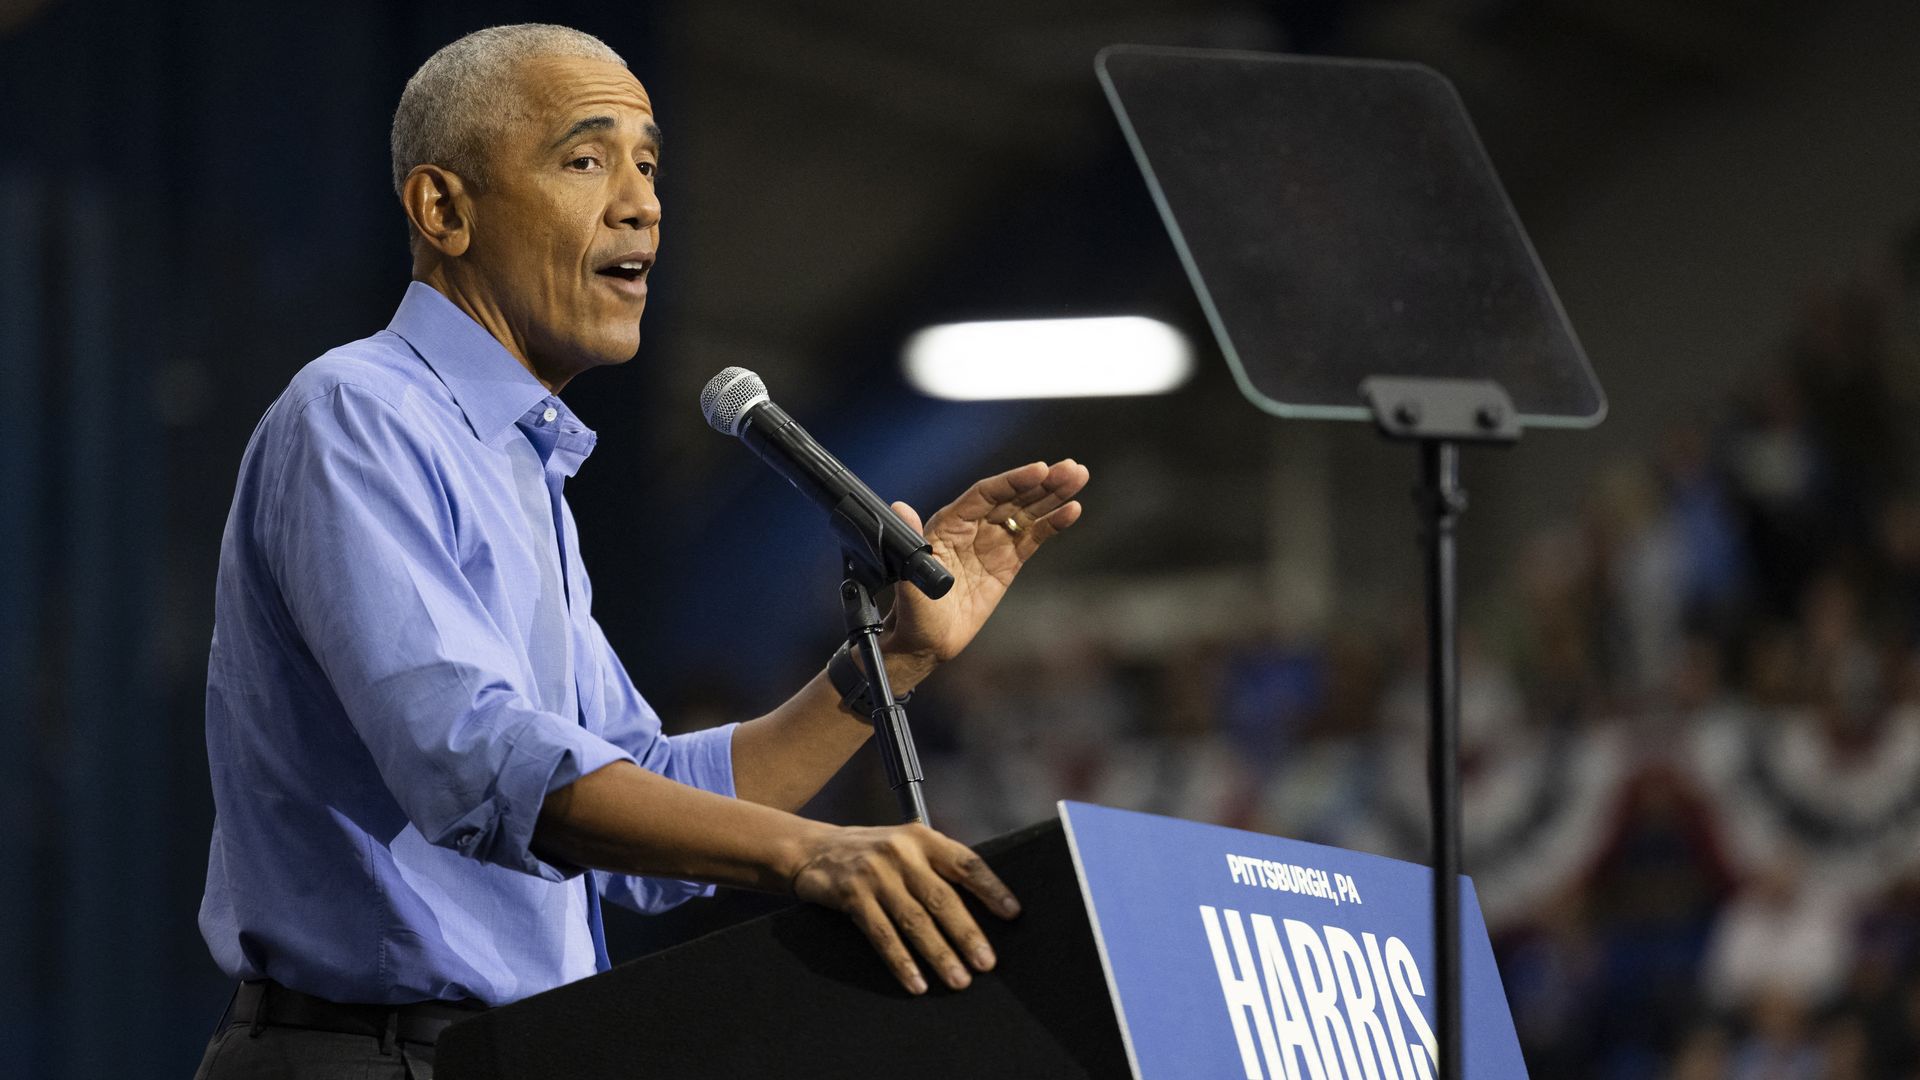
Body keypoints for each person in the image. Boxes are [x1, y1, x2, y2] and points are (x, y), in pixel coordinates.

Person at [192, 24, 1090, 1078]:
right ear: (444, 209)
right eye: (586, 159)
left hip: (508, 1055)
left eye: (649, 164)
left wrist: (892, 662)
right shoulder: (359, 416)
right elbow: (478, 764)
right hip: (364, 1058)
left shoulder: (522, 470)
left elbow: (648, 791)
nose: (642, 202)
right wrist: (817, 854)